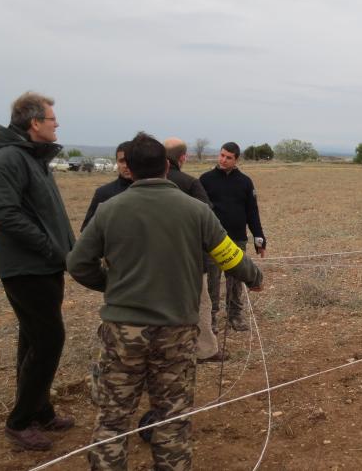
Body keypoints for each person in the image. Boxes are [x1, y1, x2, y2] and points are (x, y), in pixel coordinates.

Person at [67, 132, 263, 470]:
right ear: (167, 166)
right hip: (176, 331)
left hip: (122, 333)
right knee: (172, 420)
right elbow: (229, 255)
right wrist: (255, 277)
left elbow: (77, 264)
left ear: (131, 168)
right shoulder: (196, 210)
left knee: (112, 420)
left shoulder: (109, 209)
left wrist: (114, 288)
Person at [0, 91, 76, 451]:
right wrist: (50, 247)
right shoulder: (9, 159)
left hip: (45, 265)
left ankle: (40, 411)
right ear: (35, 123)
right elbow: (4, 214)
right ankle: (19, 421)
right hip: (26, 268)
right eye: (53, 119)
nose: (57, 125)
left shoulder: (32, 158)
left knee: (33, 339)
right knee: (49, 339)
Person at [162, 137, 223, 363]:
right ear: (183, 157)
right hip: (189, 260)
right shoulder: (190, 183)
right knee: (201, 304)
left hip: (153, 262)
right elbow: (208, 218)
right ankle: (205, 350)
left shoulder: (140, 182)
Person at [199, 142, 266, 332]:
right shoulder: (205, 180)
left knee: (236, 279)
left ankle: (235, 315)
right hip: (212, 241)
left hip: (237, 239)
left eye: (228, 157)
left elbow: (252, 212)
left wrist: (259, 238)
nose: (223, 160)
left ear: (236, 159)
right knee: (211, 281)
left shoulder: (245, 182)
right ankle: (210, 319)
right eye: (221, 155)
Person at [81, 141, 133, 231]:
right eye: (122, 161)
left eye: (130, 160)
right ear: (117, 162)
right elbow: (88, 231)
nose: (126, 165)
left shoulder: (148, 191)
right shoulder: (104, 193)